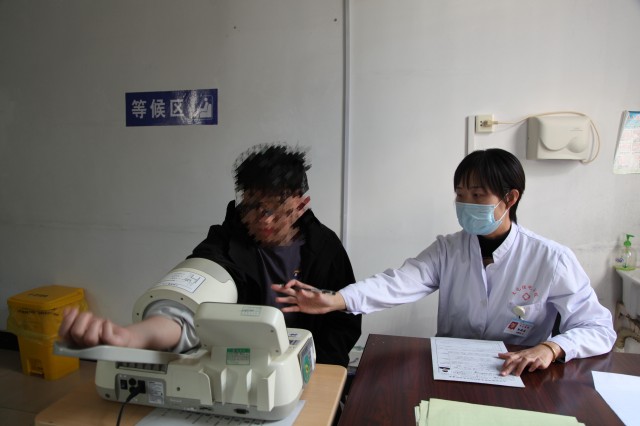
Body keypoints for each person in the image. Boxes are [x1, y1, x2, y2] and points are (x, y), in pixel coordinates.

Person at [273, 148, 616, 376]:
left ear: (510, 198)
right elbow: (398, 282)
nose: (465, 204)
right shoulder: (448, 249)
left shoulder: (551, 259)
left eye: (477, 195)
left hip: (519, 373)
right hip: (453, 369)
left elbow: (599, 329)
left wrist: (552, 347)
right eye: (460, 195)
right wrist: (335, 300)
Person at [59, 144, 361, 368]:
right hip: (239, 366)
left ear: (300, 206)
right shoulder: (225, 241)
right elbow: (190, 303)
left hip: (308, 366)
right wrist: (131, 338)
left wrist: (316, 367)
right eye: (254, 207)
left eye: (276, 210)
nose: (265, 220)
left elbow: (343, 320)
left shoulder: (324, 248)